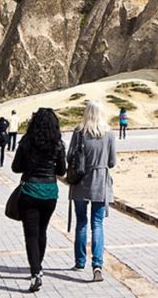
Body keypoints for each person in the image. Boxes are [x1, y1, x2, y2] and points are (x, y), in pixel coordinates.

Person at [12, 108, 67, 292]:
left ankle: (36, 272)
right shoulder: (57, 144)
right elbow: (61, 171)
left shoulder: (27, 141)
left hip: (30, 191)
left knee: (31, 235)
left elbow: (15, 167)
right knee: (42, 231)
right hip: (50, 192)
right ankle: (39, 267)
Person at [68, 101, 117, 282]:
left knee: (81, 221)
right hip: (100, 182)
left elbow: (69, 157)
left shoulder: (79, 132)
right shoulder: (109, 133)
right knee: (97, 224)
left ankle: (80, 261)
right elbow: (112, 162)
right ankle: (97, 264)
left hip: (80, 182)